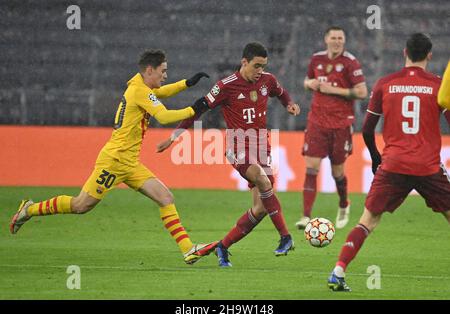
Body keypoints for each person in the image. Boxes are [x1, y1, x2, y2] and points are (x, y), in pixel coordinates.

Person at [10, 49, 218, 265]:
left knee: (165, 197)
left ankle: (188, 250)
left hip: (129, 163)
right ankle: (29, 209)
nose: (165, 75)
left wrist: (186, 84)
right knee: (81, 205)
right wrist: (194, 109)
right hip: (114, 161)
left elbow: (161, 92)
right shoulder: (139, 91)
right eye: (163, 71)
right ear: (150, 70)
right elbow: (164, 116)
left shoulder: (141, 86)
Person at [157, 42, 301, 267]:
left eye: (263, 66)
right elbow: (199, 109)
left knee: (261, 208)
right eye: (256, 66)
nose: (260, 71)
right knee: (263, 181)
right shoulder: (226, 86)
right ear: (244, 62)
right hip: (237, 147)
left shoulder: (268, 80)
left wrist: (290, 104)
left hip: (262, 146)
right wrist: (175, 136)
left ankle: (223, 247)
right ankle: (286, 237)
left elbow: (282, 94)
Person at [328, 33, 450, 292]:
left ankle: (338, 271)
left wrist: (376, 158)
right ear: (429, 55)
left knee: (367, 221)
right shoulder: (439, 86)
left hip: (393, 164)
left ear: (404, 52)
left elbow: (368, 129)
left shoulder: (385, 83)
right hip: (428, 166)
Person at [295, 26, 368, 230]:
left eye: (340, 38)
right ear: (326, 39)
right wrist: (310, 84)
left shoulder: (350, 62)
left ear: (344, 41)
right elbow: (306, 80)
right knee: (311, 168)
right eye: (334, 37)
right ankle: (305, 216)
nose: (337, 41)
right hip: (317, 121)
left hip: (341, 123)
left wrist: (333, 89)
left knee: (338, 173)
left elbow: (362, 92)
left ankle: (344, 203)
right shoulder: (316, 59)